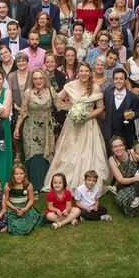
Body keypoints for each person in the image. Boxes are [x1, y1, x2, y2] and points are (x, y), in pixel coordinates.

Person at [43, 62, 109, 192]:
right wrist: (68, 109)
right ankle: (65, 180)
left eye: (86, 71)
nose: (84, 74)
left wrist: (86, 116)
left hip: (89, 125)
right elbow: (57, 99)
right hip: (72, 125)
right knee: (68, 152)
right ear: (78, 72)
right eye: (81, 71)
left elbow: (101, 108)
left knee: (89, 153)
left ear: (90, 73)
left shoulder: (95, 87)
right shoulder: (70, 86)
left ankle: (87, 182)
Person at [13, 69, 59, 194]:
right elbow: (23, 111)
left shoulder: (51, 91)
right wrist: (17, 128)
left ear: (44, 78)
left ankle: (46, 182)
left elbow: (60, 106)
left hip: (47, 129)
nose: (38, 81)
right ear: (32, 80)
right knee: (33, 154)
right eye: (35, 79)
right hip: (31, 129)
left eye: (40, 78)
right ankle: (34, 186)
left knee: (46, 153)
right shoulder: (28, 92)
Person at [107, 137, 139, 217]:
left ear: (124, 146)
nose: (118, 148)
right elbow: (120, 180)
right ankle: (136, 211)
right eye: (115, 146)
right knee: (120, 197)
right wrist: (137, 178)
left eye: (120, 145)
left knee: (138, 192)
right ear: (112, 149)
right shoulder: (112, 159)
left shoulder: (134, 153)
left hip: (138, 184)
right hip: (124, 185)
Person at [103, 68, 139, 152]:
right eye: (116, 79)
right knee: (109, 153)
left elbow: (138, 112)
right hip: (110, 130)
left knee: (125, 154)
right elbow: (103, 106)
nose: (118, 81)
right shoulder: (108, 93)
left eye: (121, 78)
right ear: (113, 80)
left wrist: (133, 114)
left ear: (125, 80)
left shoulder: (133, 97)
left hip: (125, 131)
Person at [4, 163, 45, 235]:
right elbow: (6, 201)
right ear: (13, 175)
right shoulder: (8, 185)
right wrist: (14, 208)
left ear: (24, 174)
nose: (19, 176)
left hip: (25, 207)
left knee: (26, 225)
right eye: (16, 174)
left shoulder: (28, 185)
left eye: (21, 173)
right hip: (12, 208)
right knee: (16, 227)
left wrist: (26, 208)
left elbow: (31, 200)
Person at [8, 52, 31, 161]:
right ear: (16, 63)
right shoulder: (12, 76)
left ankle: (28, 152)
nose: (21, 63)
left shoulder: (32, 75)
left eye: (23, 60)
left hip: (30, 109)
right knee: (15, 132)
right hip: (16, 109)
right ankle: (18, 152)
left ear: (27, 62)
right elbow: (9, 93)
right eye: (19, 61)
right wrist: (14, 106)